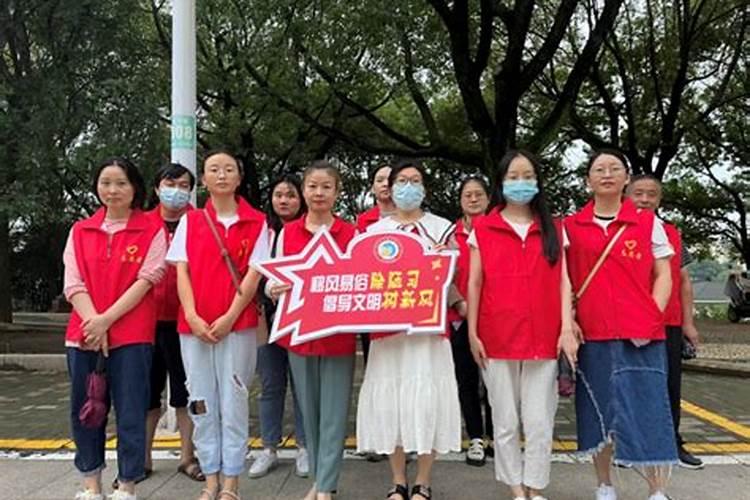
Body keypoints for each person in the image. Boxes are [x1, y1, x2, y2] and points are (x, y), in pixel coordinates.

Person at [565, 149, 677, 500]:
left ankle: (657, 488)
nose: (607, 174)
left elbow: (664, 274)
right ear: (588, 180)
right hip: (593, 332)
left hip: (641, 333)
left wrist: (652, 312)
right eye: (599, 169)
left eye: (615, 169)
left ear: (626, 179)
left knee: (648, 407)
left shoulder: (648, 223)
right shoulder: (570, 226)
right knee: (598, 410)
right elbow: (563, 281)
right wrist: (569, 321)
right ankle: (604, 484)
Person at [467, 151, 578, 500]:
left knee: (540, 422)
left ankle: (534, 487)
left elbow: (564, 282)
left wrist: (566, 328)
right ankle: (516, 489)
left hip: (544, 336)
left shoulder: (554, 228)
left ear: (538, 180)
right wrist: (471, 333)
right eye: (513, 176)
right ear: (501, 182)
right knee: (505, 422)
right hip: (496, 335)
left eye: (527, 175)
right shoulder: (483, 227)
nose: (520, 182)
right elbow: (474, 283)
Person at [356, 159, 463, 500]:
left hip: (428, 333)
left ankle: (424, 482)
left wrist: (461, 304)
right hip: (388, 335)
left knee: (427, 400)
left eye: (415, 180)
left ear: (424, 189)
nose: (407, 187)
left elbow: (450, 281)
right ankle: (398, 480)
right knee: (393, 403)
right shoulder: (372, 233)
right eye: (401, 180)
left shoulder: (442, 228)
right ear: (389, 187)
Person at [167, 149, 269, 500]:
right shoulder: (191, 221)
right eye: (214, 169)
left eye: (229, 169)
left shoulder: (257, 222)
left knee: (235, 398)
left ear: (239, 178)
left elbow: (255, 275)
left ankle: (231, 482)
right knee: (201, 399)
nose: (221, 175)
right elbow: (181, 270)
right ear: (205, 179)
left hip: (236, 326)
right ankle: (210, 477)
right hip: (193, 328)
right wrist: (193, 315)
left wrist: (228, 318)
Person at [63, 157, 167, 500]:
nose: (113, 190)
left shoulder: (151, 231)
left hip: (132, 336)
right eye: (106, 182)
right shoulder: (80, 230)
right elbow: (73, 283)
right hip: (84, 336)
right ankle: (91, 483)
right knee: (87, 410)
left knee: (131, 410)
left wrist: (107, 320)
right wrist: (95, 323)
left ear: (134, 187)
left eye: (121, 183)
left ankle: (127, 484)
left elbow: (147, 280)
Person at [267, 160, 357, 500]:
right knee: (309, 410)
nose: (319, 193)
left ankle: (327, 485)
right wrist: (272, 289)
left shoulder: (351, 234)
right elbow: (273, 279)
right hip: (298, 336)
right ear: (304, 191)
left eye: (326, 187)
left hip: (338, 335)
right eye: (313, 187)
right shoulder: (287, 233)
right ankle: (319, 479)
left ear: (337, 192)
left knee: (334, 412)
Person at [626, 174, 703, 470]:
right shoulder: (620, 231)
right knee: (631, 383)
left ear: (659, 199)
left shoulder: (672, 233)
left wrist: (688, 322)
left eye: (652, 194)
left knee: (669, 386)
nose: (645, 199)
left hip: (667, 322)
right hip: (629, 322)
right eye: (639, 194)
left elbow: (683, 281)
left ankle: (672, 441)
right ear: (627, 196)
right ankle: (630, 444)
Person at [139, 163, 203, 485]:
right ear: (156, 188)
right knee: (147, 395)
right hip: (146, 321)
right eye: (169, 182)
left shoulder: (200, 223)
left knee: (185, 393)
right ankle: (143, 458)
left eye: (183, 184)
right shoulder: (141, 223)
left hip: (186, 321)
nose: (176, 189)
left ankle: (187, 458)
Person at [249, 174, 310, 479]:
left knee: (302, 386)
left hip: (301, 321)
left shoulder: (310, 230)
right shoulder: (263, 233)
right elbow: (252, 275)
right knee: (270, 386)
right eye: (278, 195)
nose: (284, 200)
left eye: (291, 195)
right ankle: (268, 448)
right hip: (265, 320)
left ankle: (304, 447)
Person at [451, 176, 494, 466]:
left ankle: (494, 435)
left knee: (494, 379)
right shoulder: (449, 234)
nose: (474, 199)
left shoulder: (497, 230)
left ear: (488, 199)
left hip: (492, 315)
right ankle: (475, 437)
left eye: (479, 194)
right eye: (468, 195)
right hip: (459, 315)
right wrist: (460, 303)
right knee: (466, 379)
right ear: (461, 200)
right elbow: (442, 274)